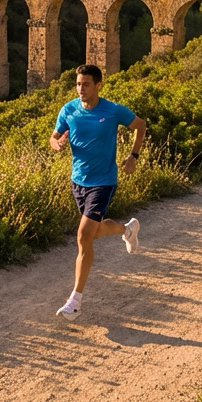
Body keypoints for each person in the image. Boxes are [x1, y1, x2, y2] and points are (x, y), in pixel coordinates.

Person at [48, 64, 147, 321]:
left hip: (104, 181)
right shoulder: (68, 109)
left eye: (87, 84)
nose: (81, 89)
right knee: (92, 233)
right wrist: (57, 144)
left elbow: (141, 125)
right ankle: (127, 229)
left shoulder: (112, 111)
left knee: (83, 236)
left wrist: (133, 156)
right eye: (78, 84)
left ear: (99, 85)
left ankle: (75, 302)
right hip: (78, 181)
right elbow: (54, 135)